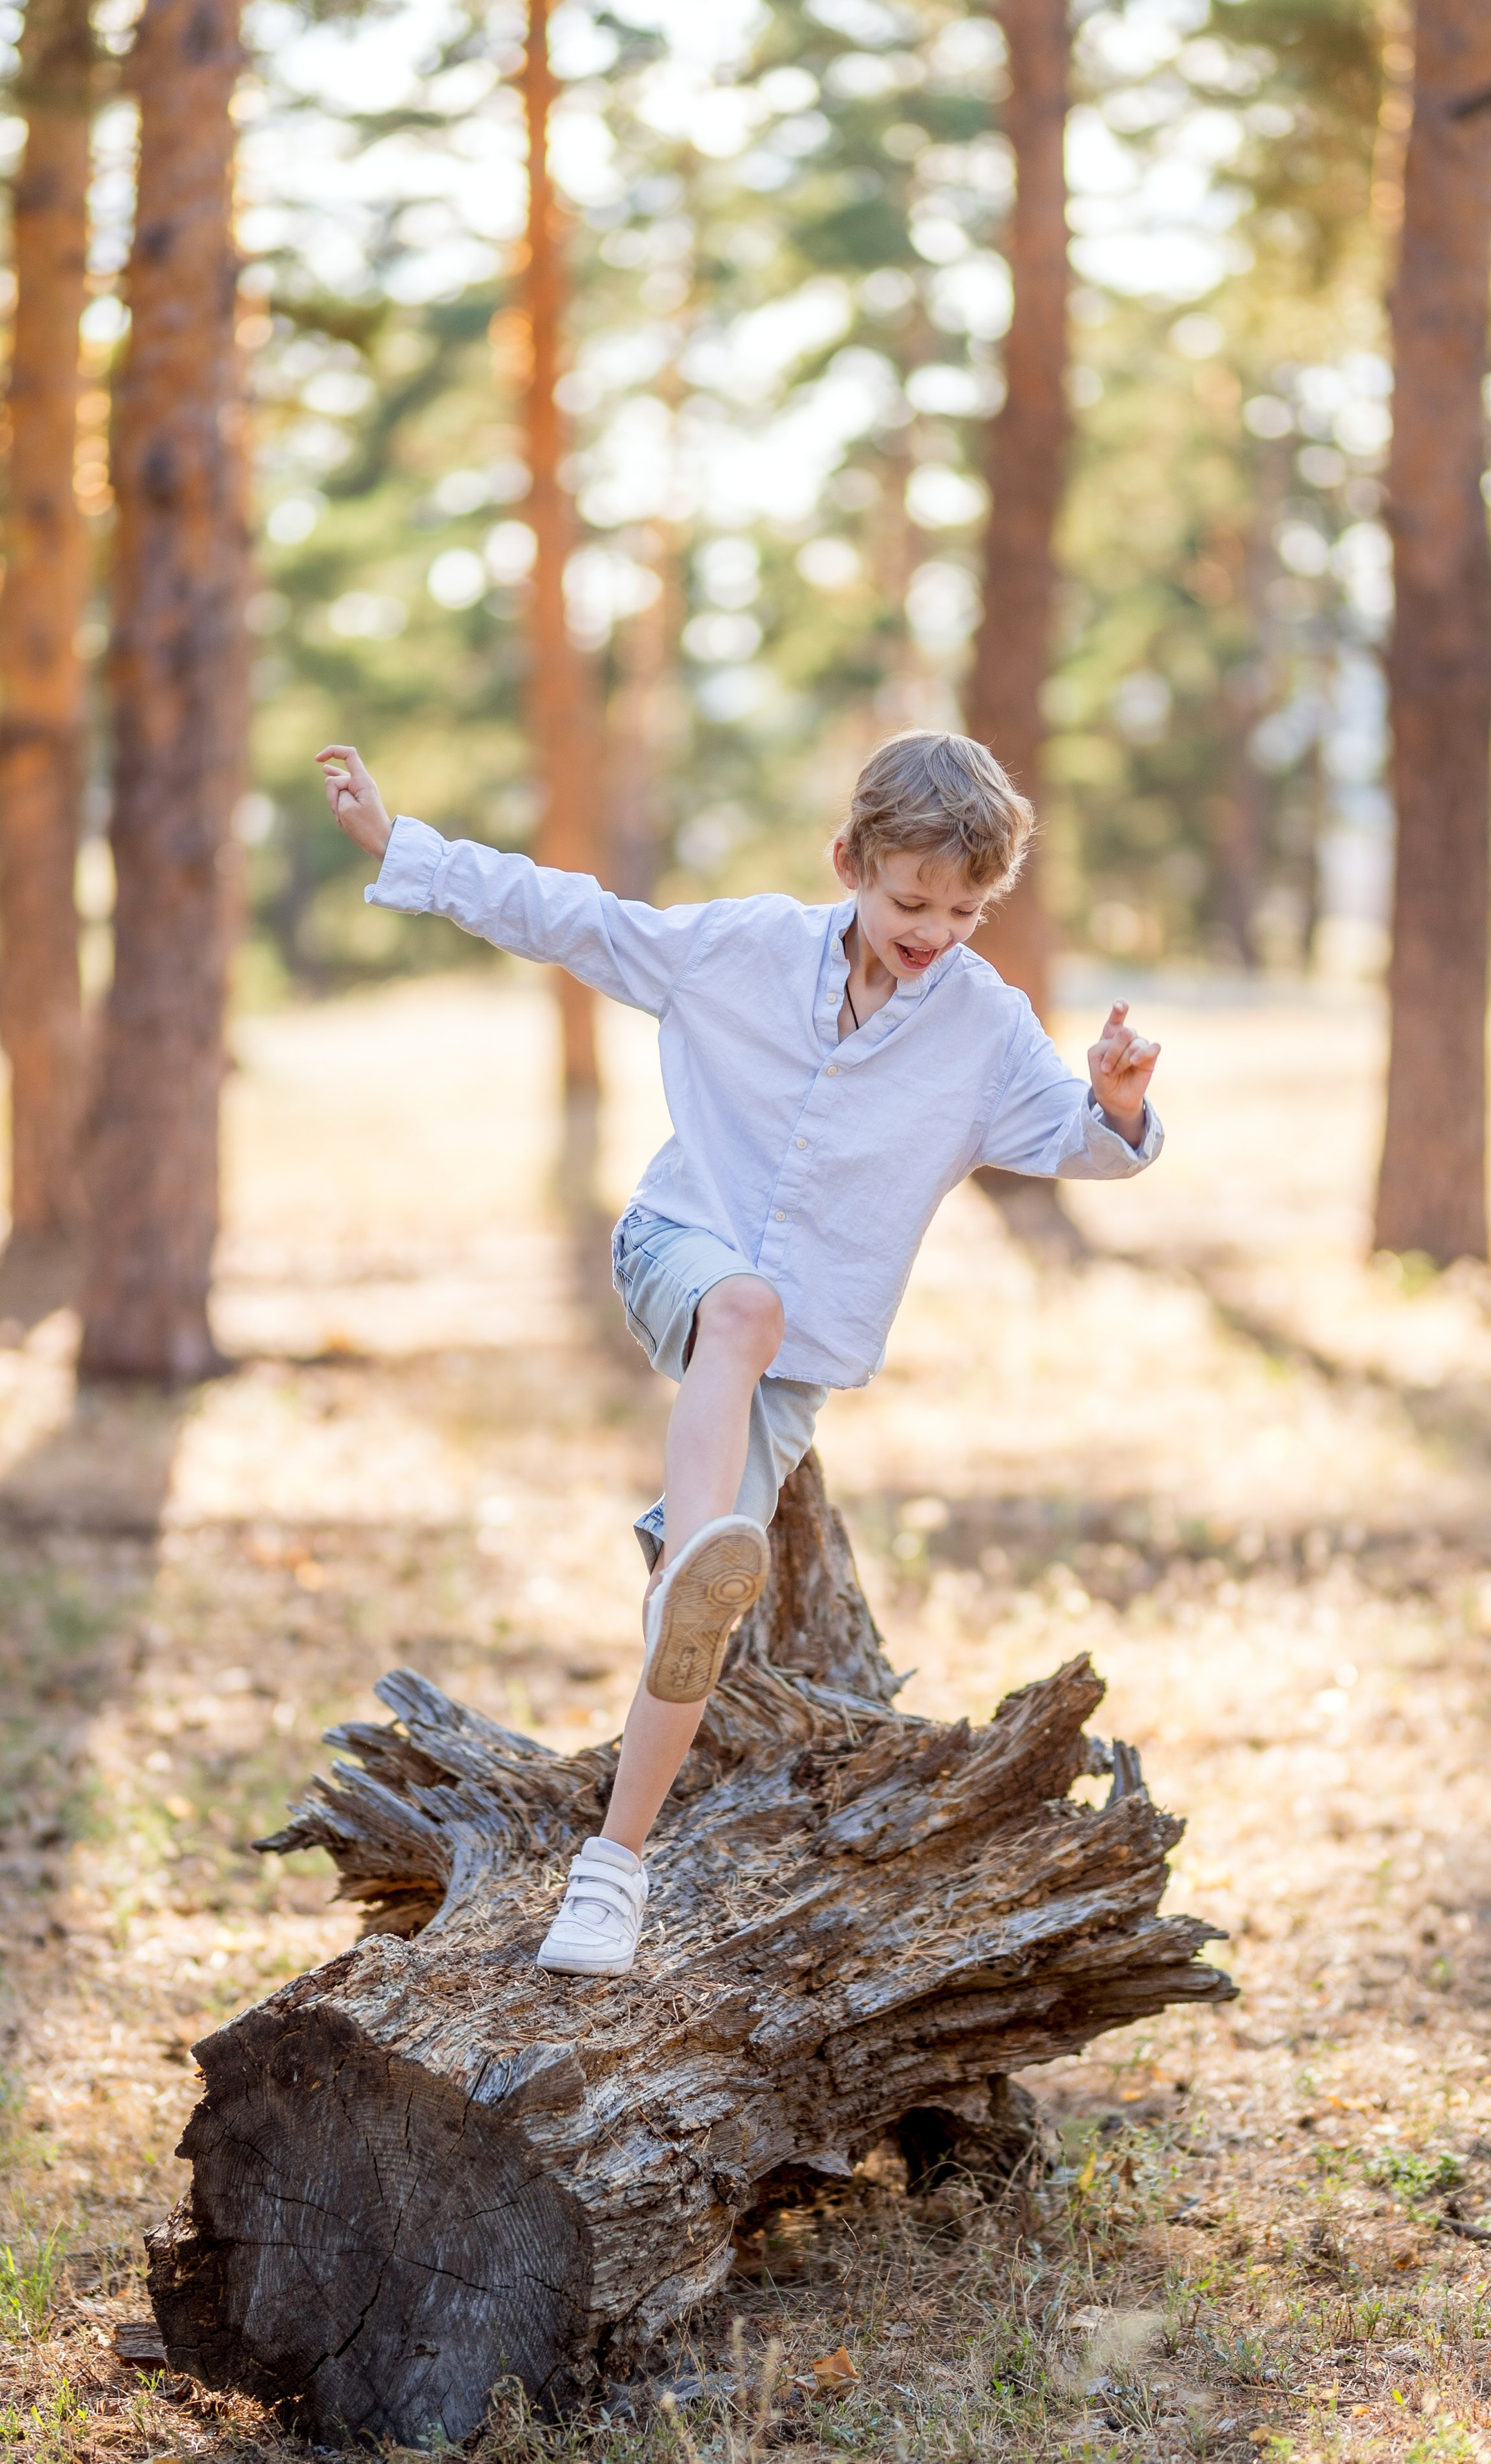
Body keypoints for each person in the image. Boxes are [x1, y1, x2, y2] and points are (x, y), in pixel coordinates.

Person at [315, 729, 1163, 1981]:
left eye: (966, 911)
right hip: (680, 1250)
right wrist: (404, 848)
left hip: (798, 1353)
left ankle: (613, 1873)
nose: (934, 929)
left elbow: (1076, 1142)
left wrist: (1121, 1097)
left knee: (696, 1636)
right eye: (909, 899)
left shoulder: (984, 1027)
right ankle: (694, 1556)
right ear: (849, 863)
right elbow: (578, 920)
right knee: (744, 1314)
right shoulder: (745, 948)